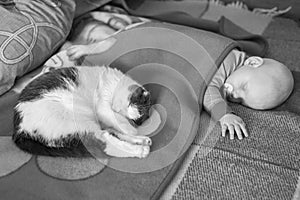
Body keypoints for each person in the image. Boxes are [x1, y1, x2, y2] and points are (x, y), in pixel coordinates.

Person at [203, 49, 294, 140]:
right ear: (252, 63)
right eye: (244, 87)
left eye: (241, 101)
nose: (235, 95)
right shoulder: (228, 58)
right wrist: (224, 114)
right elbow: (208, 90)